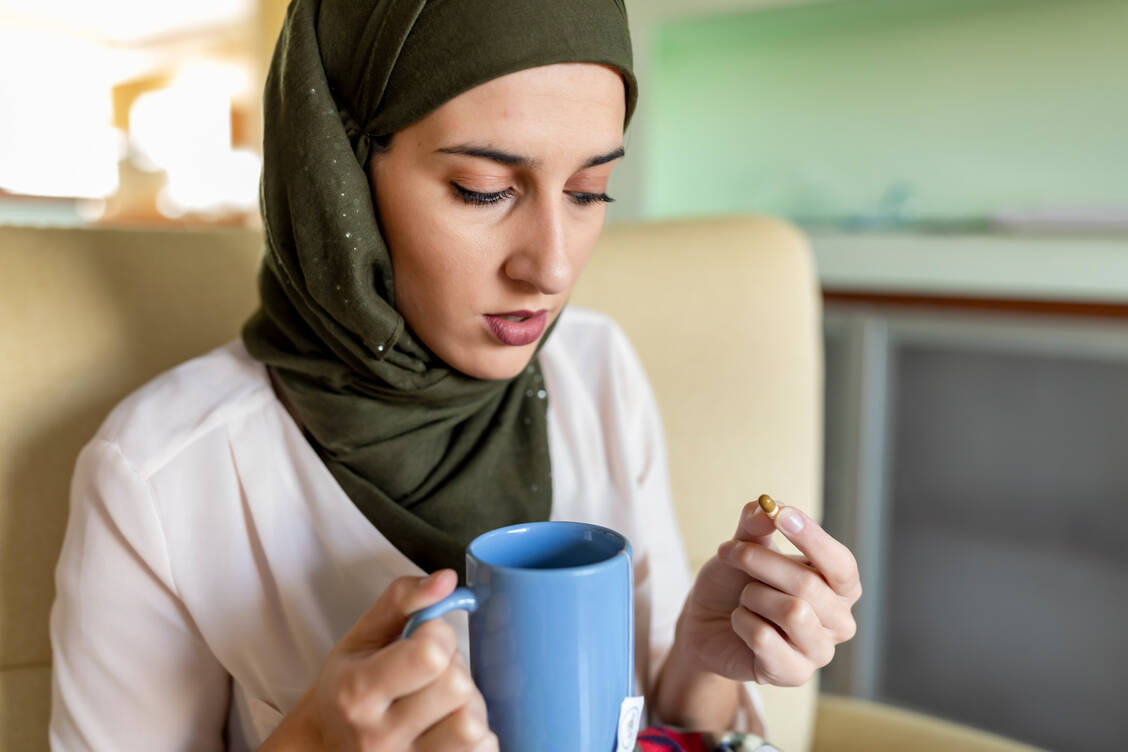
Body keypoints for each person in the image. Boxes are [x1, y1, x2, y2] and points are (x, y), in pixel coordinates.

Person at [49, 1, 861, 750]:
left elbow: (641, 729)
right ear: (338, 169)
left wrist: (706, 657)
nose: (550, 268)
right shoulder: (159, 475)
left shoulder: (598, 370)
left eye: (590, 190)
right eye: (484, 190)